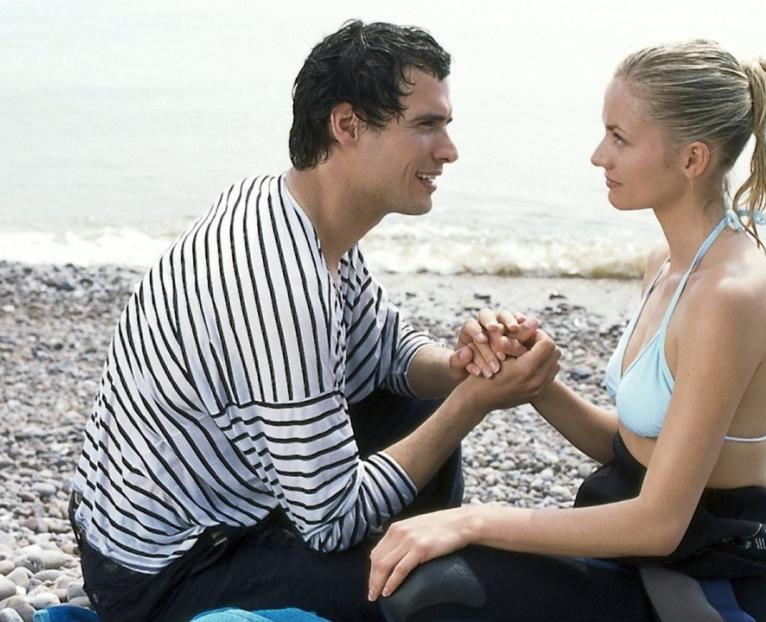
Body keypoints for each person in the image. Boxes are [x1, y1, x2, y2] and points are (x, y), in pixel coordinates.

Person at [68, 20, 560, 622]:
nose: (449, 150)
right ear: (347, 125)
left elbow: (386, 353)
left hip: (217, 514)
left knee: (420, 411)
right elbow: (331, 521)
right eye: (426, 126)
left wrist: (461, 366)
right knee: (441, 585)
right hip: (167, 572)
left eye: (446, 126)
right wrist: (475, 403)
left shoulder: (292, 210)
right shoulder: (280, 277)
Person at [368, 40, 766, 622]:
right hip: (639, 551)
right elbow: (633, 448)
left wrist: (473, 518)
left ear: (692, 159)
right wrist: (534, 378)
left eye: (620, 138)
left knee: (429, 592)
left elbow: (659, 523)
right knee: (422, 576)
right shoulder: (669, 262)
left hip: (699, 581)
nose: (599, 156)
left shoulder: (730, 298)